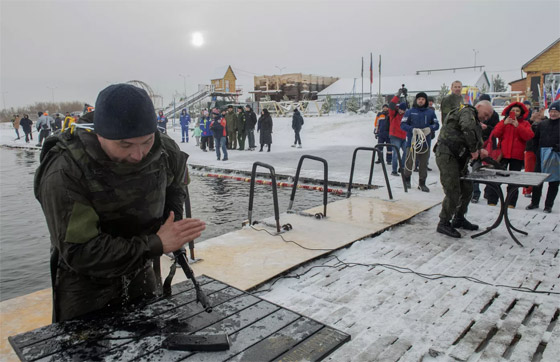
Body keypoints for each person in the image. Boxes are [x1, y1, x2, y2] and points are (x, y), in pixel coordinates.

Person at [34, 83, 206, 322]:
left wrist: (171, 221)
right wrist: (156, 243)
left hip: (143, 269)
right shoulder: (65, 171)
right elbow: (80, 252)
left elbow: (176, 186)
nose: (138, 155)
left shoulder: (164, 149)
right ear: (99, 134)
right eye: (125, 145)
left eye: (146, 142)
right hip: (86, 289)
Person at [435, 101, 493, 238]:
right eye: (485, 114)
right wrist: (474, 150)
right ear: (478, 107)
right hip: (447, 155)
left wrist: (479, 149)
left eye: (488, 117)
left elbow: (471, 135)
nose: (486, 118)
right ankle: (443, 222)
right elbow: (466, 127)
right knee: (453, 190)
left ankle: (459, 218)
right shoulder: (467, 112)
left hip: (459, 157)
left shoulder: (474, 119)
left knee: (467, 188)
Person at [484, 102, 534, 208]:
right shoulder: (503, 122)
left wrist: (518, 126)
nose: (515, 113)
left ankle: (511, 203)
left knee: (513, 181)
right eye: (513, 110)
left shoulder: (525, 124)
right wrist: (504, 124)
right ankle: (492, 200)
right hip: (503, 155)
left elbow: (529, 136)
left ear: (521, 113)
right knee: (497, 178)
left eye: (517, 111)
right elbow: (496, 134)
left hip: (517, 156)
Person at [401, 92, 439, 192]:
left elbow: (436, 125)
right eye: (419, 99)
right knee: (409, 161)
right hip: (412, 142)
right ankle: (407, 180)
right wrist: (412, 129)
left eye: (423, 99)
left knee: (423, 164)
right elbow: (403, 124)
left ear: (425, 101)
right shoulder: (410, 112)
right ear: (416, 100)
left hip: (425, 142)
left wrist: (429, 129)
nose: (421, 101)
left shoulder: (430, 112)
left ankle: (422, 183)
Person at [526, 100, 559, 213]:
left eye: (556, 111)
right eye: (552, 111)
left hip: (556, 156)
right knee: (538, 180)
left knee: (554, 182)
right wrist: (537, 151)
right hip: (542, 155)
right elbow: (535, 139)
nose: (553, 114)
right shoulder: (542, 124)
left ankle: (548, 205)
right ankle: (534, 203)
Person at [471, 94, 500, 203]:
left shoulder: (494, 115)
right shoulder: (471, 114)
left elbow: (496, 130)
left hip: (489, 145)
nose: (486, 117)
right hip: (476, 145)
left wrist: (487, 127)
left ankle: (489, 193)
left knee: (490, 170)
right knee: (475, 169)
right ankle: (475, 193)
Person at [388, 91, 408, 176]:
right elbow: (391, 105)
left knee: (407, 151)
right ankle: (394, 170)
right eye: (400, 109)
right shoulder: (393, 113)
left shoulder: (406, 115)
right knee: (396, 153)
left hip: (403, 137)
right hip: (395, 136)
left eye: (403, 110)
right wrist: (398, 95)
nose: (401, 111)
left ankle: (402, 167)